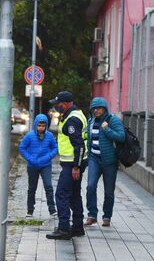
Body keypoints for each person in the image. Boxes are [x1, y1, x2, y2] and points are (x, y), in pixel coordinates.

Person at [46, 91, 88, 240]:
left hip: (72, 164)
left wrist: (76, 167)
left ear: (67, 103)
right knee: (74, 195)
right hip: (75, 163)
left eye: (59, 104)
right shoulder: (75, 115)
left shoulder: (72, 120)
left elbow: (79, 145)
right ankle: (77, 227)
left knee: (61, 194)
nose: (57, 107)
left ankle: (64, 228)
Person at [85, 97, 125, 227]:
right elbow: (89, 139)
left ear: (105, 108)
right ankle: (92, 215)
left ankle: (107, 216)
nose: (96, 111)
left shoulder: (113, 120)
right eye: (94, 108)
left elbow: (121, 137)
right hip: (94, 159)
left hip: (109, 161)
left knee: (109, 191)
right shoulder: (90, 121)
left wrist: (107, 129)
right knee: (90, 186)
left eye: (99, 108)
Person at [19, 114, 58, 218]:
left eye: (43, 126)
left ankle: (52, 209)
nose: (41, 128)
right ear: (36, 125)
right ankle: (30, 210)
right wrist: (30, 159)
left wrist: (48, 157)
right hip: (32, 166)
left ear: (46, 126)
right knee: (32, 188)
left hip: (46, 165)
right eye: (39, 125)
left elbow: (55, 148)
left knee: (48, 186)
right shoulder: (29, 136)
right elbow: (22, 148)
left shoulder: (49, 136)